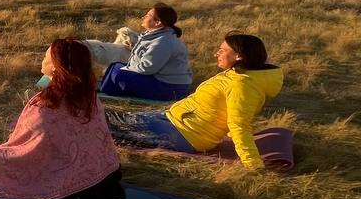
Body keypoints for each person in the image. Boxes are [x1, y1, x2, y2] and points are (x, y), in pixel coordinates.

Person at [0, 38, 123, 199]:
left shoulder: (45, 105)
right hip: (106, 179)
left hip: (70, 190)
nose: (44, 58)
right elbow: (44, 83)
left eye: (47, 56)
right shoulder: (90, 95)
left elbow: (29, 144)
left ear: (56, 66)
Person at [105, 33, 283, 169]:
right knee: (117, 119)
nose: (216, 54)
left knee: (107, 121)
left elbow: (239, 125)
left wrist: (253, 164)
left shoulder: (243, 86)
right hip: (174, 119)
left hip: (185, 134)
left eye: (222, 50)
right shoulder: (237, 73)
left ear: (239, 56)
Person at [97, 2, 193, 101]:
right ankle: (105, 90)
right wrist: (133, 48)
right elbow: (153, 56)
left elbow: (147, 68)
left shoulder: (163, 41)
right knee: (115, 66)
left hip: (170, 89)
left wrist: (127, 68)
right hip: (168, 83)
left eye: (148, 15)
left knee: (117, 72)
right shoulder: (161, 37)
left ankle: (106, 94)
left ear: (158, 22)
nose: (143, 17)